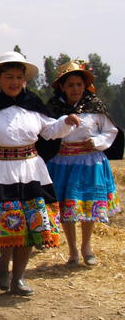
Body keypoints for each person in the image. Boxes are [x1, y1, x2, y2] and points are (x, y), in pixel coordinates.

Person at [0, 52, 81, 295]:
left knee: (30, 228)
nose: (15, 82)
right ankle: (0, 271)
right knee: (4, 226)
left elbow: (50, 130)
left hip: (30, 170)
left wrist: (67, 121)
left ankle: (18, 278)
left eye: (19, 77)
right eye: (9, 77)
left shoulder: (33, 104)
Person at [45, 60, 123, 266]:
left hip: (90, 162)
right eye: (70, 85)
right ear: (62, 87)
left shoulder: (95, 107)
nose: (75, 89)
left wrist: (97, 142)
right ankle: (72, 251)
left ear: (85, 85)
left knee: (87, 206)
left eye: (79, 84)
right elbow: (46, 131)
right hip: (63, 163)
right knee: (67, 207)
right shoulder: (54, 109)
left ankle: (87, 246)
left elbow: (111, 131)